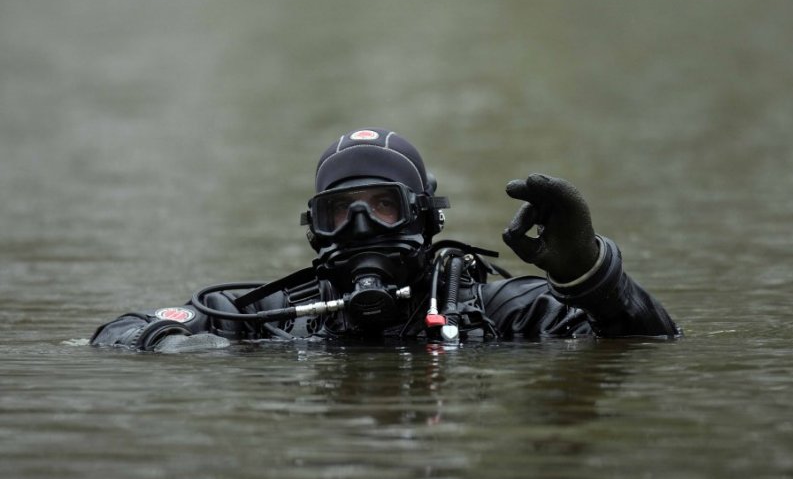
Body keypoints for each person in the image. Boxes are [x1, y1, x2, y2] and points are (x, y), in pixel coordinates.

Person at [91, 128, 679, 352]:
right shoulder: (280, 316)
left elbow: (652, 342)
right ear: (315, 227)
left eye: (383, 205)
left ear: (425, 219)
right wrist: (179, 345)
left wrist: (591, 276)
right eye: (339, 211)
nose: (362, 226)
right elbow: (116, 334)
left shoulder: (494, 309)